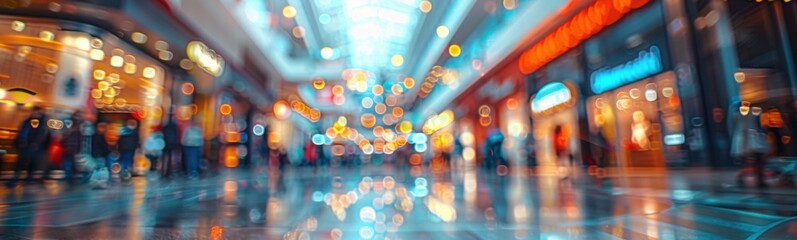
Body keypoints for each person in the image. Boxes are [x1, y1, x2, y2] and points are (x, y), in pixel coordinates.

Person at [730, 101, 771, 187]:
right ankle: (758, 179)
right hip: (752, 138)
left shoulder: (736, 114)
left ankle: (755, 178)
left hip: (744, 138)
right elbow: (759, 126)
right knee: (757, 159)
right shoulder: (751, 113)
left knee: (753, 160)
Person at [9, 106, 51, 185]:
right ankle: (16, 178)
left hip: (33, 146)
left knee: (31, 163)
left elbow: (42, 135)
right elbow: (21, 132)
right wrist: (17, 141)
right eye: (33, 111)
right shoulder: (27, 121)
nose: (34, 113)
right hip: (24, 145)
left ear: (39, 113)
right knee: (20, 162)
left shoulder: (41, 123)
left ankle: (28, 178)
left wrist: (36, 143)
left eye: (36, 112)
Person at [60, 111, 83, 183]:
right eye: (77, 115)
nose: (78, 117)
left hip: (71, 148)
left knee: (71, 162)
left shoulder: (76, 126)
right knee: (70, 162)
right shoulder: (75, 126)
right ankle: (70, 175)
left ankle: (70, 175)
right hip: (71, 148)